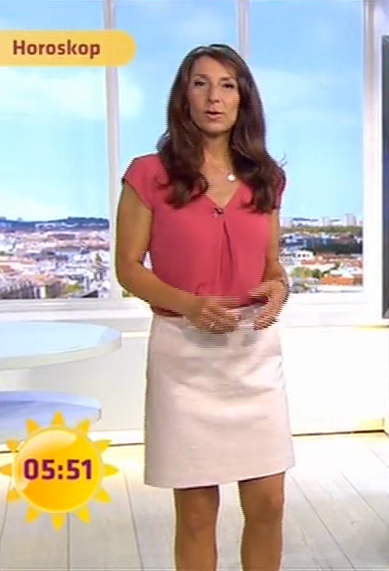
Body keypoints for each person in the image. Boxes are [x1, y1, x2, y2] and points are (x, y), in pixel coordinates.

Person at [114, 43, 293, 571]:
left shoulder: (266, 178)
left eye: (227, 85)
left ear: (243, 99)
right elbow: (128, 268)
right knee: (196, 513)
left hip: (253, 353)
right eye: (201, 84)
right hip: (184, 356)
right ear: (184, 96)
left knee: (269, 503)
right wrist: (189, 305)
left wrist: (280, 289)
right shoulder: (148, 174)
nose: (214, 97)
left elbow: (272, 266)